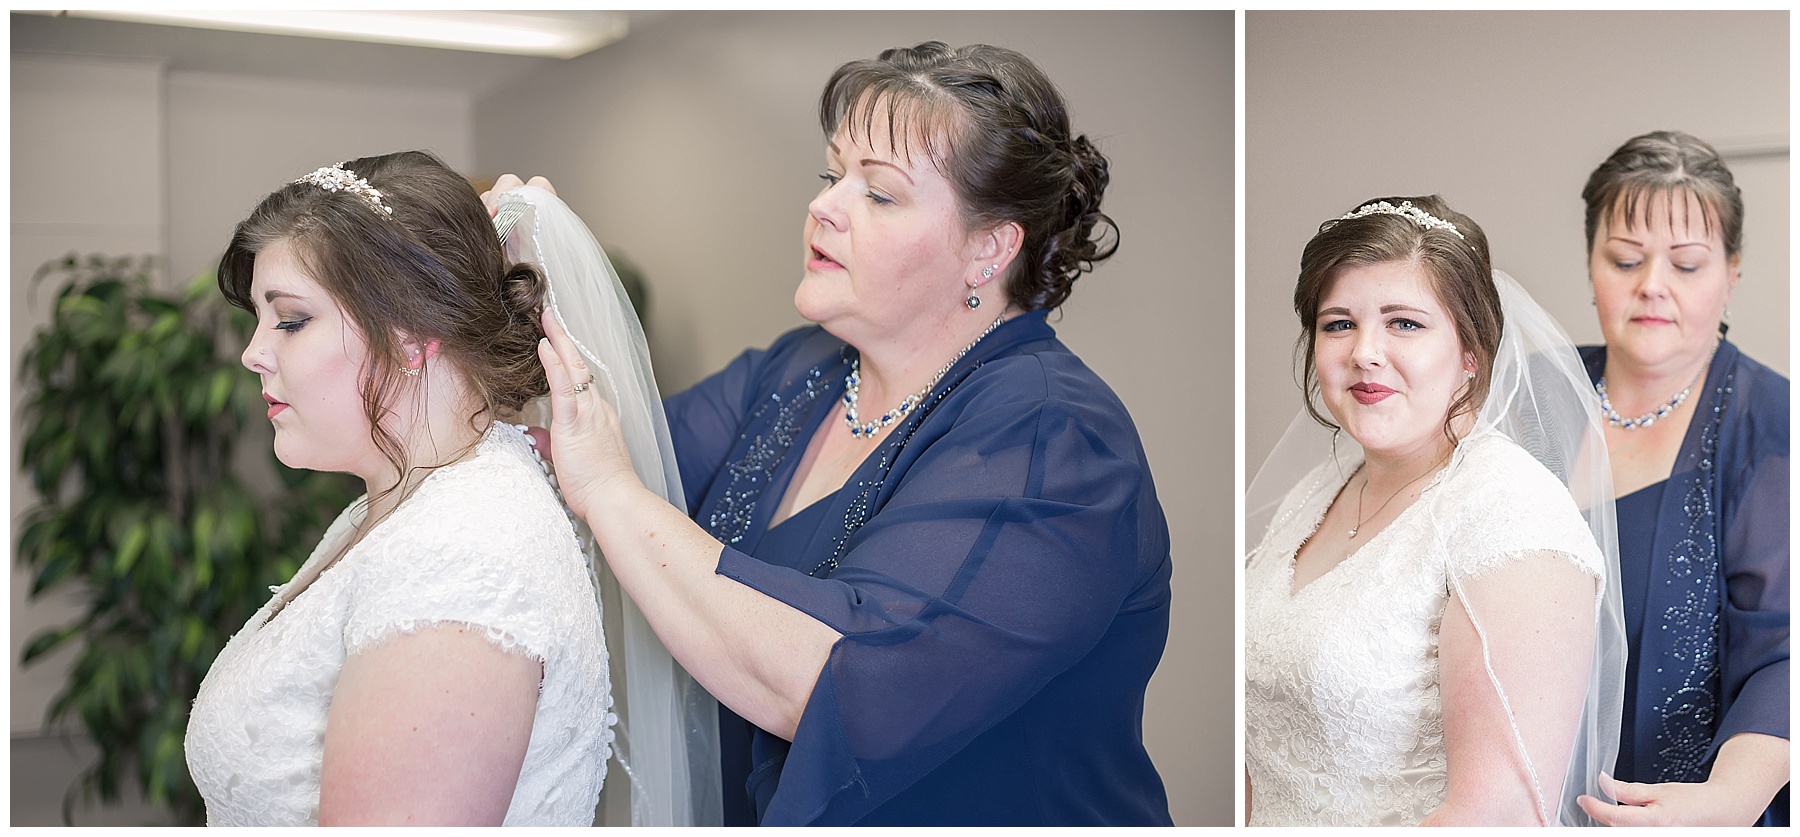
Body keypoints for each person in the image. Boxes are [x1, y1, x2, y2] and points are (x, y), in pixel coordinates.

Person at [503, 41, 1173, 825]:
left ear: (990, 249)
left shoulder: (1052, 441)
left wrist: (611, 492)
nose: (825, 206)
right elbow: (583, 454)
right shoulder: (803, 370)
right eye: (832, 176)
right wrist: (527, 289)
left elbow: (835, 683)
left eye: (880, 195)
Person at [184, 151, 710, 825]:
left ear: (412, 333)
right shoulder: (409, 502)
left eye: (289, 319)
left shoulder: (463, 555)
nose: (253, 352)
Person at [1243, 196, 1625, 825]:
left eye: (1404, 324)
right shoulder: (1318, 491)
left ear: (1471, 354)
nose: (1364, 350)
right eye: (1338, 323)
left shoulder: (1513, 519)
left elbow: (1495, 816)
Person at [1570, 131, 1789, 827]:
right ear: (1591, 262)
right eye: (1626, 259)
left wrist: (1728, 801)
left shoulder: (1773, 424)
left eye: (1687, 264)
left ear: (1731, 270)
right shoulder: (1536, 396)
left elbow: (1786, 651)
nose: (1651, 285)